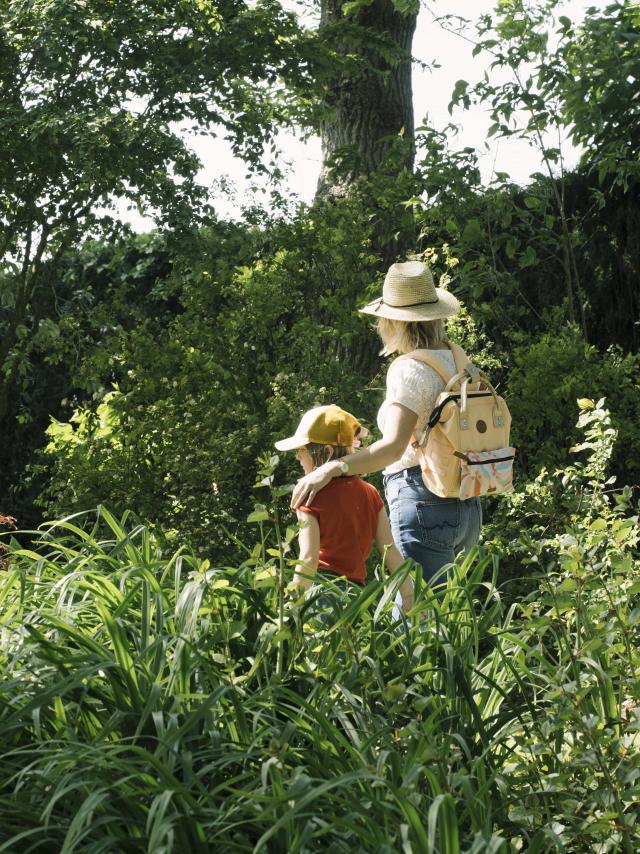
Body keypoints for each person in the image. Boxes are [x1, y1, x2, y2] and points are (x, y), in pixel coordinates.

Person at [291, 260, 482, 589]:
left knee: (415, 620)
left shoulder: (408, 369)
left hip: (423, 500)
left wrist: (332, 468)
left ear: (393, 321)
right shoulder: (458, 359)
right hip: (467, 503)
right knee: (449, 619)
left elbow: (392, 448)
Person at [275, 404, 414, 613]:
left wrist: (292, 606)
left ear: (327, 452)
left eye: (302, 451)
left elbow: (308, 559)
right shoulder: (370, 493)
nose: (297, 457)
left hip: (322, 594)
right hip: (357, 597)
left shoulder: (309, 495)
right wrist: (409, 595)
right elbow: (390, 549)